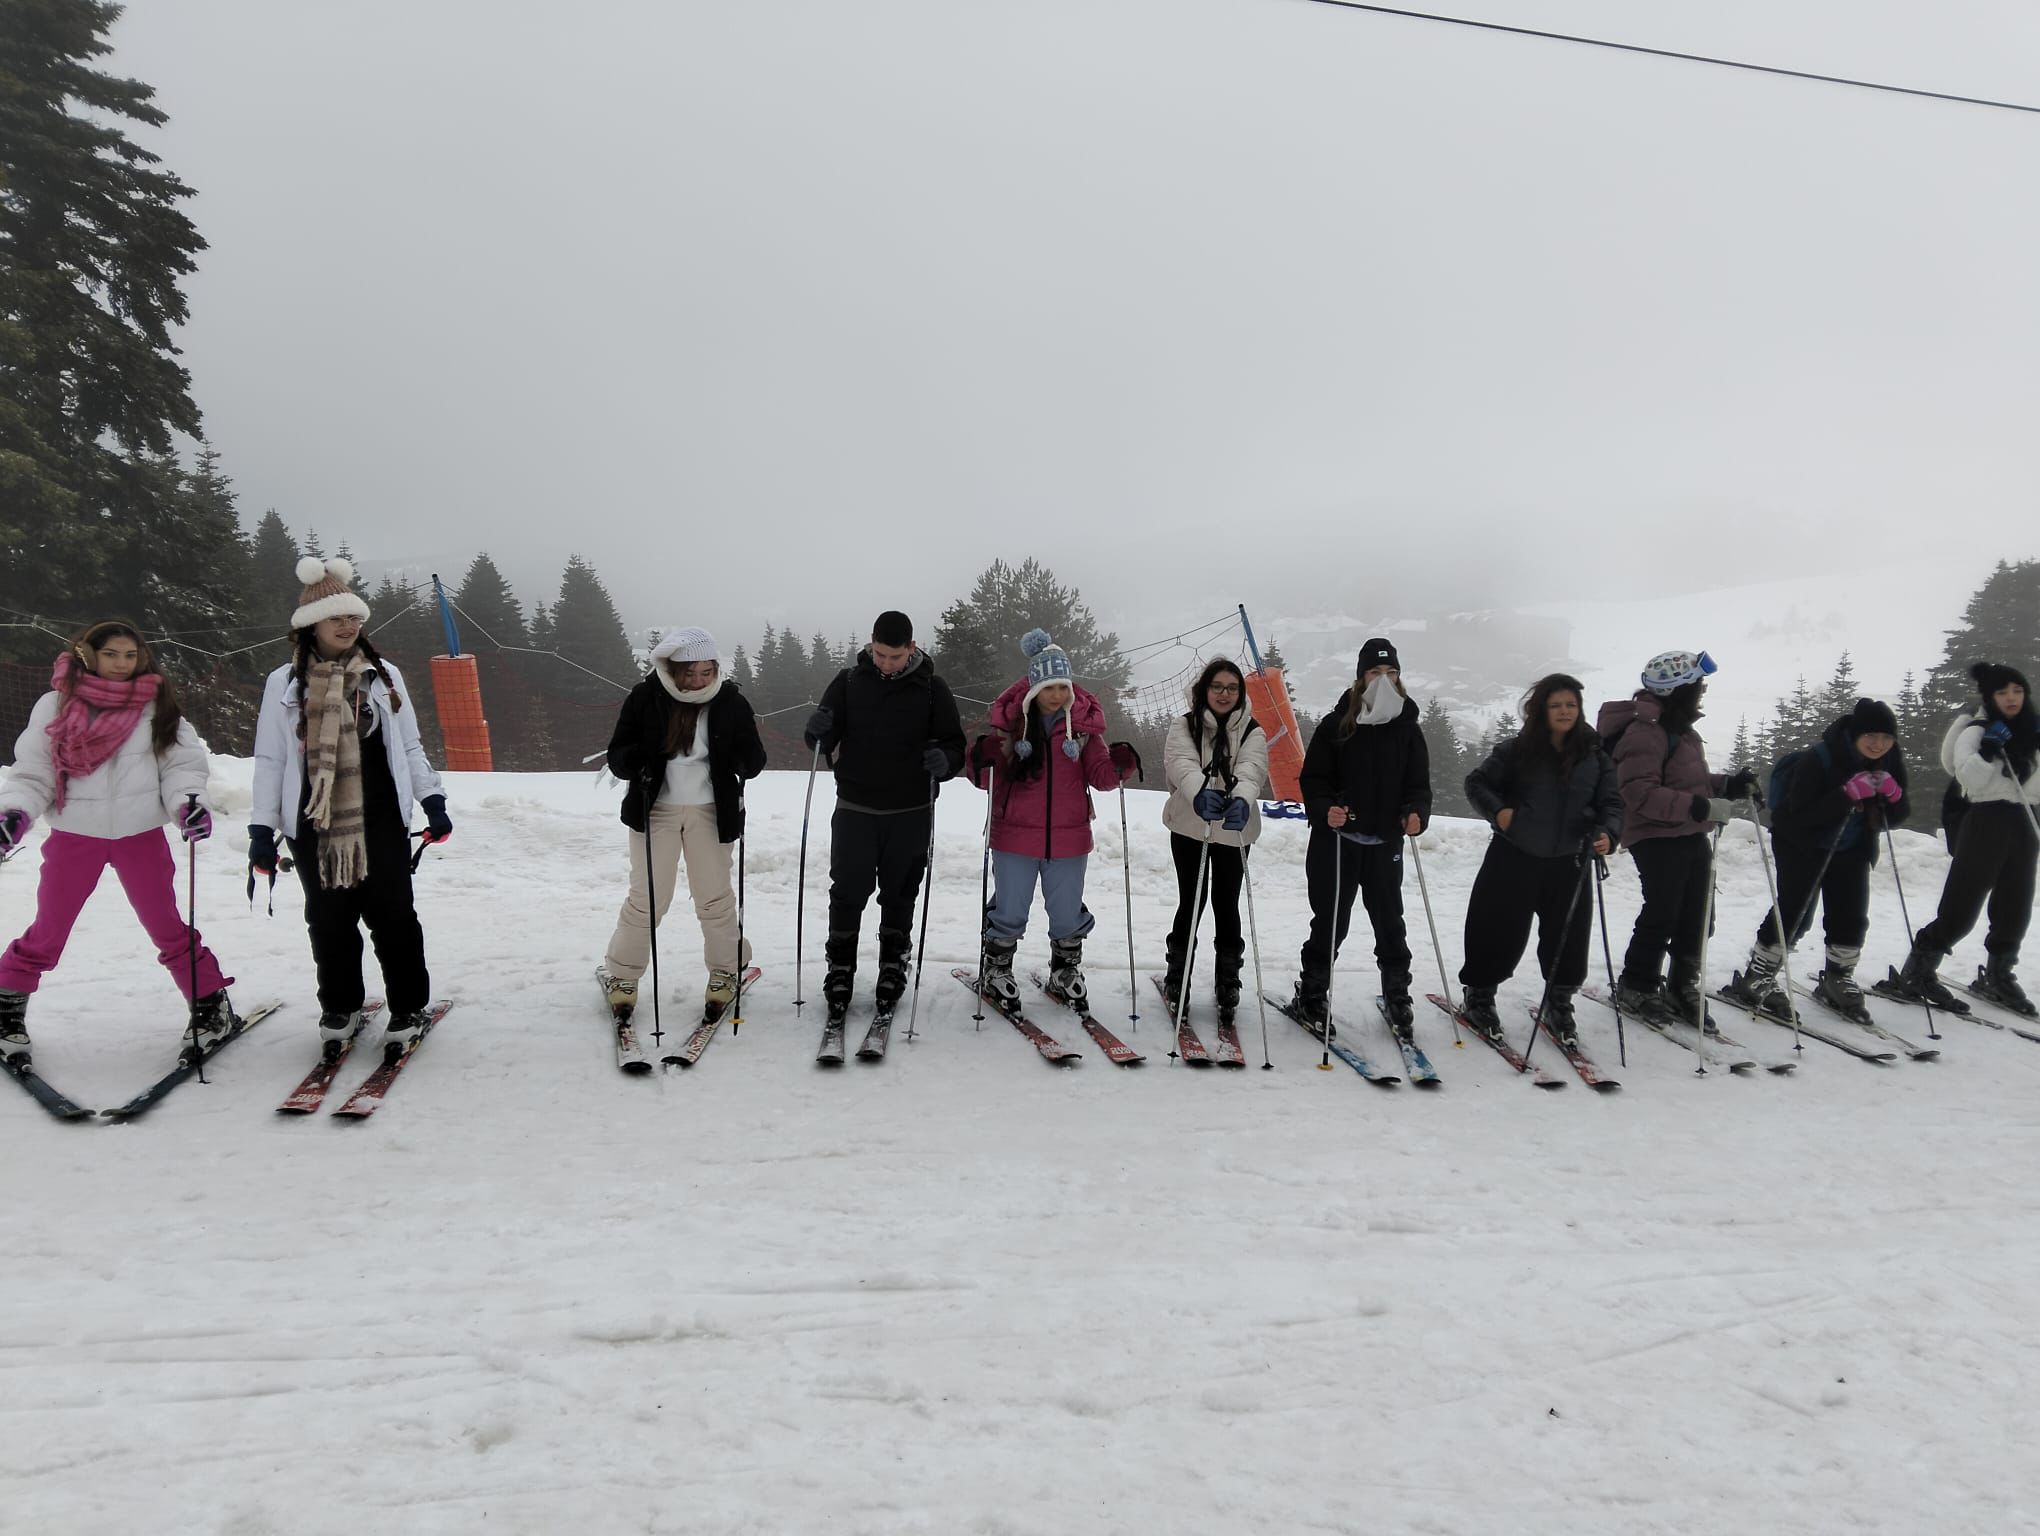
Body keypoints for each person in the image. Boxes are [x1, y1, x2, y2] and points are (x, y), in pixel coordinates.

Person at [0, 622, 237, 1061]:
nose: (123, 664)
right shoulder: (56, 704)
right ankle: (5, 1006)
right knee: (49, 929)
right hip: (75, 836)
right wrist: (15, 813)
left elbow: (182, 767)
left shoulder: (158, 704)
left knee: (166, 925)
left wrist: (189, 804)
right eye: (112, 654)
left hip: (139, 836)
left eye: (131, 655)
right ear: (88, 654)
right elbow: (34, 771)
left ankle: (209, 1006)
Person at [250, 558, 451, 1059]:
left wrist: (433, 799)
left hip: (382, 813)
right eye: (337, 618)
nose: (348, 627)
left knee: (394, 916)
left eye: (355, 618)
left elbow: (409, 746)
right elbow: (271, 759)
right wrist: (261, 828)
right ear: (310, 625)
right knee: (329, 918)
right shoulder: (285, 682)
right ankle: (339, 1006)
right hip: (313, 821)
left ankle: (408, 1006)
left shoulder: (383, 676)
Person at [966, 630, 1138, 1012]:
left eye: (1063, 686)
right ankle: (996, 968)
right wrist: (982, 759)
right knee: (1011, 906)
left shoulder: (1084, 733)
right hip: (1014, 835)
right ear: (1034, 689)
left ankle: (1065, 969)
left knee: (1066, 909)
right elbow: (986, 780)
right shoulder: (1013, 729)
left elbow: (1101, 777)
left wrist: (1120, 766)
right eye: (1050, 687)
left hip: (1069, 837)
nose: (1057, 695)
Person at [803, 611, 965, 1015]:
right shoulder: (849, 681)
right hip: (856, 804)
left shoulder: (932, 689)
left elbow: (955, 745)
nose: (886, 663)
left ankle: (893, 962)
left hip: (911, 808)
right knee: (848, 889)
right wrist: (817, 730)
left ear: (911, 648)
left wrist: (944, 760)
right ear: (871, 644)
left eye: (894, 656)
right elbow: (820, 739)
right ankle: (840, 966)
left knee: (900, 890)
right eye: (879, 654)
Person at [601, 627, 766, 1021]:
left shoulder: (731, 701)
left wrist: (744, 762)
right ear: (671, 669)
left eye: (706, 672)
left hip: (711, 810)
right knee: (647, 899)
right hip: (655, 809)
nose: (698, 681)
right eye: (689, 673)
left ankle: (726, 970)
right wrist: (635, 761)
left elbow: (755, 758)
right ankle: (623, 976)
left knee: (714, 896)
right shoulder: (646, 697)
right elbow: (618, 753)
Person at [1458, 673, 1623, 1046]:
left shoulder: (1595, 757)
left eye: (1571, 704)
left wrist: (1608, 833)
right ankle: (1479, 996)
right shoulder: (1516, 751)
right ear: (1541, 710)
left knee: (1568, 936)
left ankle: (1559, 1002)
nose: (1565, 711)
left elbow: (1611, 803)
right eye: (1556, 705)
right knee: (1496, 930)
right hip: (1514, 855)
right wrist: (1499, 813)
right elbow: (1476, 783)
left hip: (1571, 860)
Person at [1597, 649, 1758, 1029]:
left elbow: (1689, 783)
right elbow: (1639, 794)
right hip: (1653, 833)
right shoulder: (1645, 733)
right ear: (1678, 689)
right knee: (1663, 910)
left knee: (1698, 913)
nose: (1702, 692)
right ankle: (1637, 984)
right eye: (1697, 686)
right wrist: (1701, 807)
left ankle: (1683, 984)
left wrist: (1728, 786)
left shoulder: (1679, 730)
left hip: (1686, 831)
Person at [1720, 698, 1908, 1020]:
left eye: (1886, 738)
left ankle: (1838, 978)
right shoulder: (1819, 758)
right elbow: (1797, 816)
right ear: (1855, 734)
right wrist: (1845, 795)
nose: (1878, 744)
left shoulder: (1890, 760)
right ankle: (1757, 976)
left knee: (1851, 912)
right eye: (1871, 736)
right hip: (1801, 843)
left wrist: (1894, 796)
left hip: (1852, 846)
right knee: (1796, 910)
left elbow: (1897, 815)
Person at [1292, 638, 1431, 1034]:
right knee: (1331, 921)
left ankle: (1397, 994)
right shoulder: (1337, 725)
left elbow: (1418, 786)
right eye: (1375, 673)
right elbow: (1313, 780)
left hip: (1385, 841)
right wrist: (1324, 809)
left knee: (1390, 921)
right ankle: (1313, 994)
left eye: (1391, 673)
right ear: (1361, 677)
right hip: (1337, 841)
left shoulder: (1407, 728)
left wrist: (1416, 813)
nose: (1383, 680)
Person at [1886, 662, 2040, 1015]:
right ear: (1991, 696)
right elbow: (1967, 779)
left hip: (2025, 819)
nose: (2011, 698)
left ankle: (1999, 974)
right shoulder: (1976, 730)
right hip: (1986, 819)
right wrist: (1988, 751)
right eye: (2003, 692)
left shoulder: (2034, 729)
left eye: (2017, 690)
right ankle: (1919, 969)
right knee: (1963, 903)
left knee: (2016, 904)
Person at [1159, 657, 1269, 1017]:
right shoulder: (1184, 726)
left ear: (1240, 693)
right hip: (1191, 825)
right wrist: (1198, 791)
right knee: (1191, 900)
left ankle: (1228, 980)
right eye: (1218, 687)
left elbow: (1252, 769)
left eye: (1232, 688)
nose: (1224, 694)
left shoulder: (1253, 730)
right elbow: (1181, 763)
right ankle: (1179, 975)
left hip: (1235, 830)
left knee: (1226, 902)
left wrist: (1241, 799)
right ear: (1205, 690)